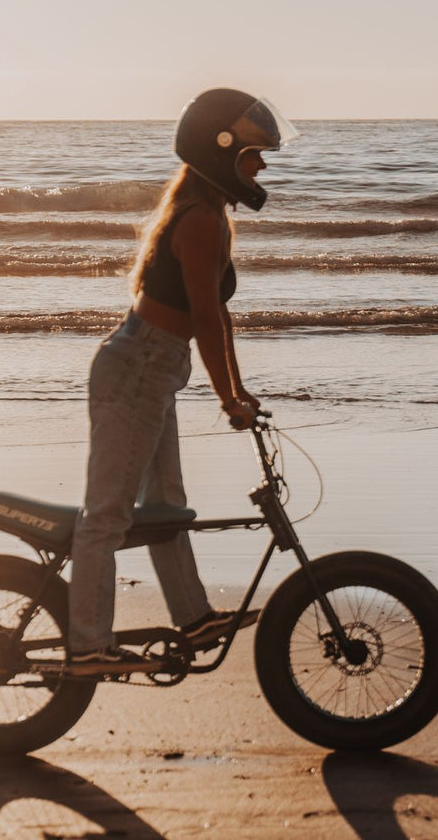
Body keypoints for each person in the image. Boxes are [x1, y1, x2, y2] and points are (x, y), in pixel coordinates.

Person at [66, 89, 298, 674]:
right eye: (253, 156)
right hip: (140, 366)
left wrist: (238, 392)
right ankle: (89, 643)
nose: (261, 167)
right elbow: (201, 316)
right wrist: (226, 398)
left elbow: (218, 316)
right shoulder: (199, 222)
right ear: (221, 153)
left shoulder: (208, 213)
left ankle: (193, 619)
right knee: (108, 514)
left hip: (152, 365)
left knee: (166, 506)